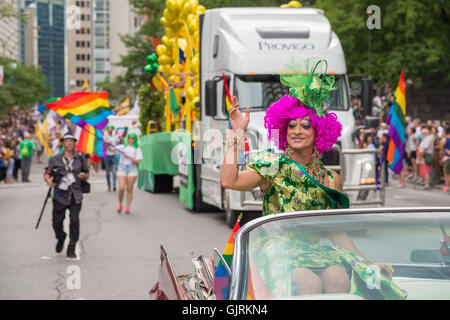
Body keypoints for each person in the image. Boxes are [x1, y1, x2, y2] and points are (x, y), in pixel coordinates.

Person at [220, 60, 405, 299]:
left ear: (319, 131)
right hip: (278, 249)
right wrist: (236, 133)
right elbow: (229, 181)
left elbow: (335, 231)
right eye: (291, 125)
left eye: (305, 125)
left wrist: (365, 261)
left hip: (317, 250)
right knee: (307, 283)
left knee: (339, 278)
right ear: (284, 131)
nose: (297, 131)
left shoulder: (330, 179)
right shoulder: (272, 166)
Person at [44, 133, 90, 259]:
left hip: (76, 194)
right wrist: (49, 182)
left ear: (75, 143)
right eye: (67, 141)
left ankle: (71, 246)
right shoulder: (55, 159)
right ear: (63, 144)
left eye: (72, 141)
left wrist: (83, 176)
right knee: (57, 222)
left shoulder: (80, 159)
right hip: (60, 195)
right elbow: (47, 173)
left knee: (74, 221)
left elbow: (87, 174)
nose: (70, 143)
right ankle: (61, 237)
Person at [116, 133, 143, 214]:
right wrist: (105, 142)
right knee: (121, 188)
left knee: (129, 190)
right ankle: (120, 204)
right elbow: (111, 149)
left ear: (135, 140)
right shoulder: (122, 147)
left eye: (133, 138)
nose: (131, 139)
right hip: (122, 168)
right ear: (127, 138)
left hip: (132, 168)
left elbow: (138, 161)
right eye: (129, 138)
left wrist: (128, 156)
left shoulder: (137, 149)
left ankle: (127, 207)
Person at [103, 125, 120, 192]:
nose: (110, 129)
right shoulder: (105, 137)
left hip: (114, 155)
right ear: (107, 129)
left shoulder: (115, 137)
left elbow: (118, 144)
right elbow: (104, 144)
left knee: (114, 171)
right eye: (109, 128)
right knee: (107, 172)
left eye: (111, 128)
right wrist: (109, 149)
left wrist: (115, 149)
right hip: (107, 155)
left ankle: (114, 185)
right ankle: (109, 186)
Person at [439, 127, 450, 193]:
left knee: (447, 174)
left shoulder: (444, 140)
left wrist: (440, 159)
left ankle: (447, 186)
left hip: (446, 159)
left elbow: (441, 151)